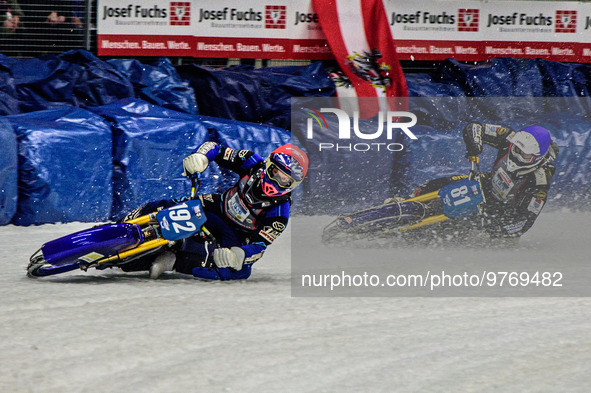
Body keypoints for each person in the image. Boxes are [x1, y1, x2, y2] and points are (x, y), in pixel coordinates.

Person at [120, 142, 309, 280]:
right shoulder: (252, 162)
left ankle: (176, 260)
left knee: (240, 271)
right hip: (216, 207)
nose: (277, 182)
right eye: (277, 173)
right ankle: (122, 224)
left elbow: (260, 247)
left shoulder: (280, 212)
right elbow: (216, 149)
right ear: (269, 165)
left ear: (293, 185)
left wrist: (239, 255)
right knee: (166, 204)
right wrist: (201, 157)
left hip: (235, 235)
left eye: (285, 180)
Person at [390, 122, 559, 241]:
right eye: (516, 149)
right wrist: (474, 147)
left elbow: (524, 222)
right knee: (440, 183)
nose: (517, 155)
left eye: (525, 155)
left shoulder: (539, 182)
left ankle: (409, 236)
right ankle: (404, 202)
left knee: (452, 227)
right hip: (486, 183)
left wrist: (494, 226)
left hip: (499, 213)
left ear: (537, 158)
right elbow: (475, 127)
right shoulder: (509, 137)